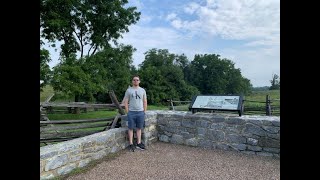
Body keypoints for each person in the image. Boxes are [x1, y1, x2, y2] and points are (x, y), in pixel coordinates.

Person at [123, 75, 147, 152]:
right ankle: (130, 143)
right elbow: (126, 102)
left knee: (139, 128)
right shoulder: (129, 90)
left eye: (137, 80)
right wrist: (128, 112)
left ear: (139, 81)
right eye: (134, 80)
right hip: (131, 112)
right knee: (130, 128)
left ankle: (139, 143)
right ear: (132, 81)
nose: (135, 81)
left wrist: (144, 111)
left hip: (140, 112)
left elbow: (145, 101)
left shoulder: (142, 90)